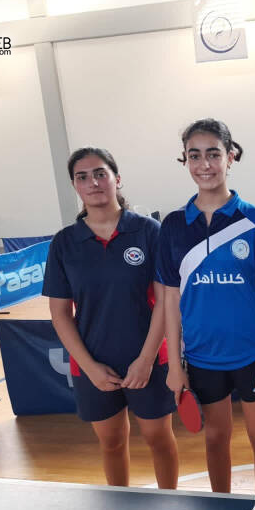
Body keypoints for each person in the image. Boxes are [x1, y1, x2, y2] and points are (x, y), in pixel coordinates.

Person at [157, 119, 255, 494]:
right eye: (194, 156)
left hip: (252, 354)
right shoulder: (174, 226)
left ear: (231, 156)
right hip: (202, 356)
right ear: (185, 161)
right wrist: (175, 364)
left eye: (213, 154)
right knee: (215, 437)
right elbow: (170, 299)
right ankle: (222, 507)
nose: (205, 164)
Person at [43, 147, 178, 489]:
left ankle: (172, 505)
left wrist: (146, 360)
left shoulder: (148, 231)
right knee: (112, 442)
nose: (93, 182)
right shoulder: (64, 243)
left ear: (117, 179)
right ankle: (121, 508)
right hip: (93, 363)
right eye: (82, 177)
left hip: (148, 359)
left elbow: (165, 302)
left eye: (100, 173)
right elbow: (60, 314)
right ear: (75, 186)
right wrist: (89, 367)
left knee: (159, 438)